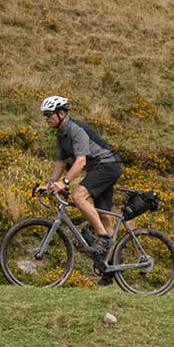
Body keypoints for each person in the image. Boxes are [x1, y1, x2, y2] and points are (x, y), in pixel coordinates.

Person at [36, 94, 122, 268]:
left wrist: (64, 182)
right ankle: (111, 265)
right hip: (98, 168)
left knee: (78, 196)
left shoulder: (76, 129)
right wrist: (50, 183)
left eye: (48, 114)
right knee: (104, 215)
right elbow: (61, 162)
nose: (46, 118)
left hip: (107, 165)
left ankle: (104, 238)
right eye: (44, 115)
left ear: (61, 114)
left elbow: (81, 160)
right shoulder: (61, 134)